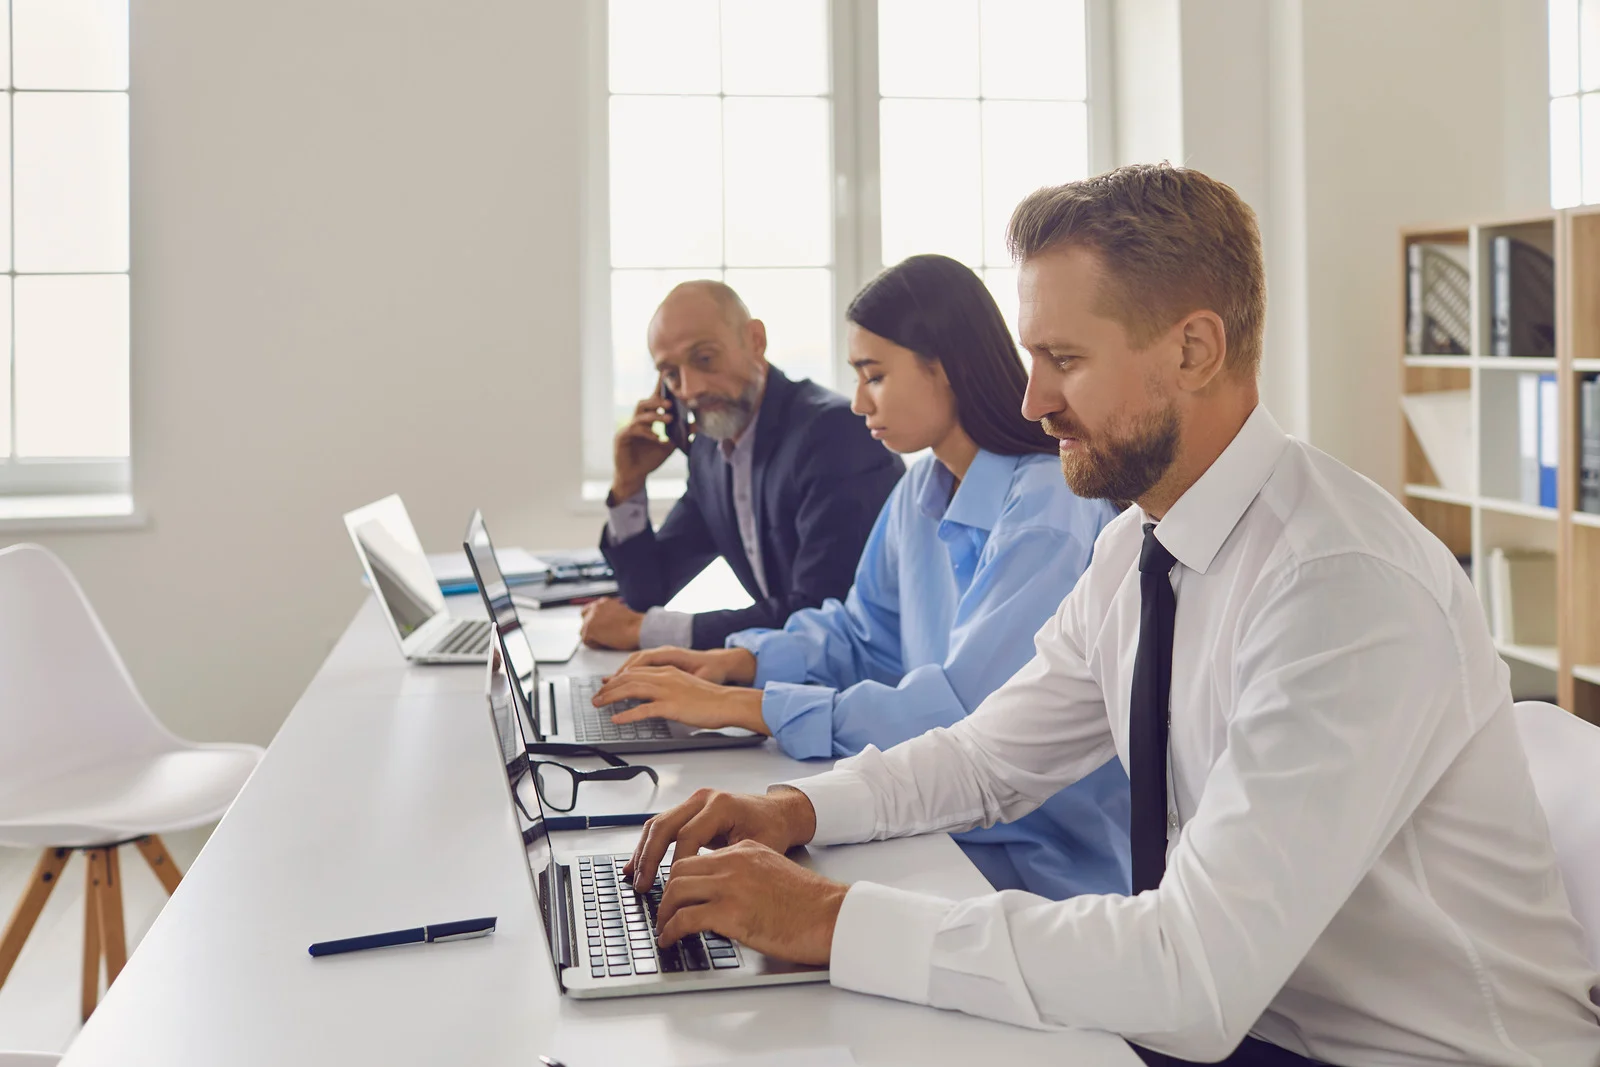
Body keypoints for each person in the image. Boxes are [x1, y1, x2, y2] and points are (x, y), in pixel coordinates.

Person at [617, 165, 1600, 1066]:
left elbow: (1194, 974)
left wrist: (831, 919)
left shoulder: (1339, 587)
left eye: (1063, 358)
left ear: (1194, 349)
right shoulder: (1140, 546)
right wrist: (795, 808)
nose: (1033, 398)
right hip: (1262, 1022)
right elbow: (986, 756)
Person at [591, 254, 1130, 899]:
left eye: (874, 376)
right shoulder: (921, 491)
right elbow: (861, 635)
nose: (856, 400)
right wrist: (736, 663)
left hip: (1033, 859)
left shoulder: (1048, 509)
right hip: (932, 824)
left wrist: (747, 706)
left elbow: (968, 718)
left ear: (948, 368)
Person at [582, 281, 903, 652]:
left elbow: (819, 612)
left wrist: (649, 632)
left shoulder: (833, 434)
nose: (690, 389)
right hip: (790, 673)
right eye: (671, 374)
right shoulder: (709, 450)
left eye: (704, 359)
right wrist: (629, 484)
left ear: (755, 340)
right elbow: (647, 593)